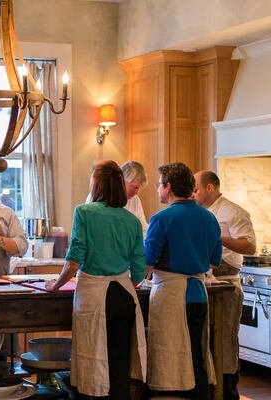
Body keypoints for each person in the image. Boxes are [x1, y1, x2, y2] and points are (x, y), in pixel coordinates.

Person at [46, 160, 147, 399]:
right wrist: (125, 283)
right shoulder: (131, 220)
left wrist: (56, 285)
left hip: (93, 296)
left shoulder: (84, 212)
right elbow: (140, 269)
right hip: (123, 296)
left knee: (92, 359)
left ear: (97, 185)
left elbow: (74, 260)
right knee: (119, 363)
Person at [145, 162, 222, 399]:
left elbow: (147, 260)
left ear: (168, 187)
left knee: (168, 354)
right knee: (196, 352)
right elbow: (214, 261)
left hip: (171, 293)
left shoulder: (162, 218)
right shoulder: (209, 218)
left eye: (159, 185)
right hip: (198, 293)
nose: (158, 189)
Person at [193, 170, 256, 399]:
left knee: (226, 342)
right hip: (207, 281)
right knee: (208, 342)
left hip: (227, 282)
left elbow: (249, 247)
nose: (193, 193)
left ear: (210, 187)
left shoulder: (234, 211)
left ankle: (229, 392)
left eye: (196, 188)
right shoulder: (201, 212)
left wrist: (218, 237)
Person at [86, 160, 149, 235]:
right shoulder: (98, 195)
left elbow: (143, 229)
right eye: (134, 187)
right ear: (122, 179)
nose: (136, 192)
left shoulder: (135, 200)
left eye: (139, 188)